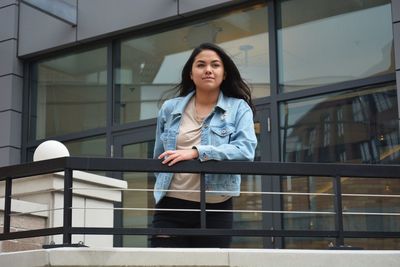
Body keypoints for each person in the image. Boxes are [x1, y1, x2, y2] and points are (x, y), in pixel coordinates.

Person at [151, 42, 257, 248]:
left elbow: (245, 150)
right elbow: (159, 156)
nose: (208, 70)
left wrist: (196, 152)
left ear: (224, 73)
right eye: (200, 65)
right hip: (171, 206)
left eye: (215, 65)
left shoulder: (238, 108)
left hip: (215, 207)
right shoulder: (169, 109)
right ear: (191, 73)